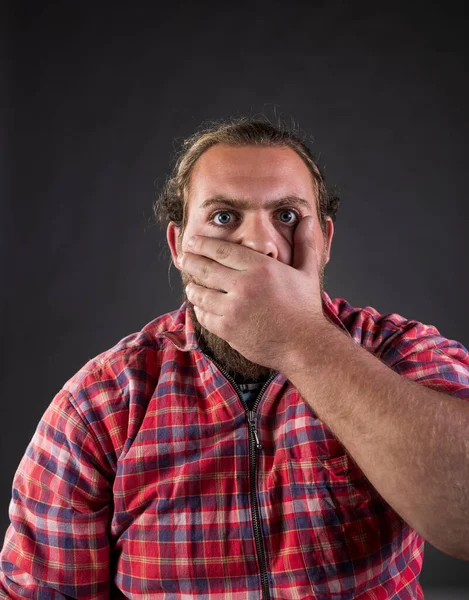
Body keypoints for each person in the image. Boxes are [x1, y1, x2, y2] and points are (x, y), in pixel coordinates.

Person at [1, 117, 468, 600]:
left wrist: (301, 340)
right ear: (179, 245)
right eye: (225, 216)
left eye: (286, 215)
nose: (259, 244)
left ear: (324, 241)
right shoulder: (101, 403)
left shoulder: (400, 353)